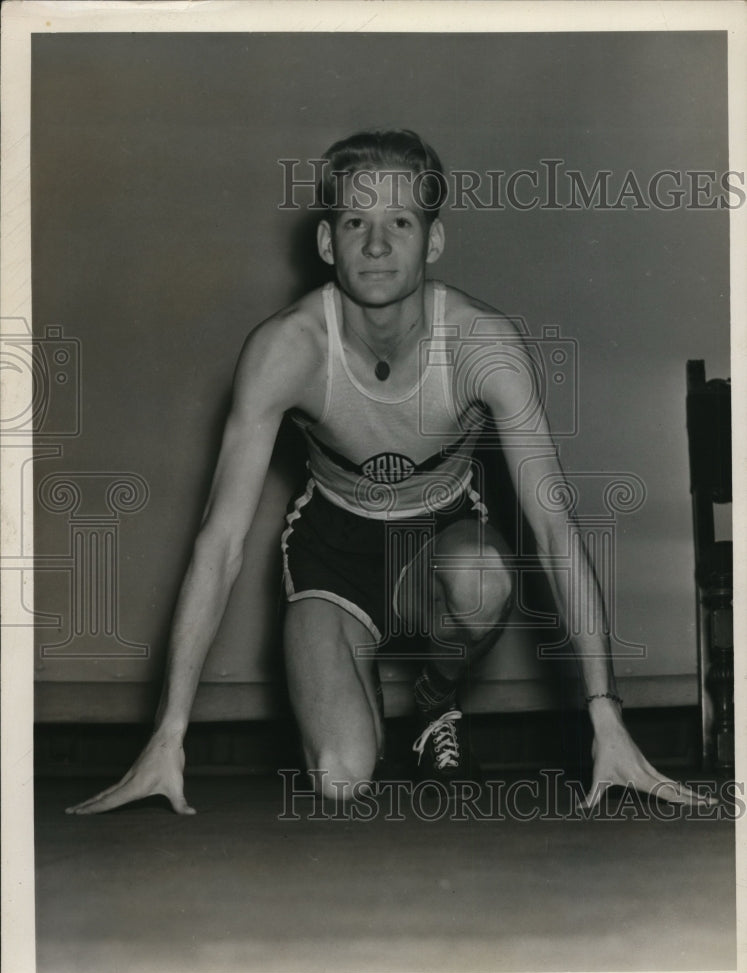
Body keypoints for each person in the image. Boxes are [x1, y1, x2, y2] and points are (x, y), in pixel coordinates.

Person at [68, 129, 710, 814]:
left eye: (399, 222)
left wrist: (604, 715)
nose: (376, 245)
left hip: (442, 543)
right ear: (326, 243)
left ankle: (435, 704)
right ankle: (355, 677)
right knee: (342, 778)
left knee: (484, 578)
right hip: (331, 556)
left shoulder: (482, 346)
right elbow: (219, 542)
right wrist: (169, 732)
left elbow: (554, 528)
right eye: (355, 222)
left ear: (431, 242)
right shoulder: (286, 349)